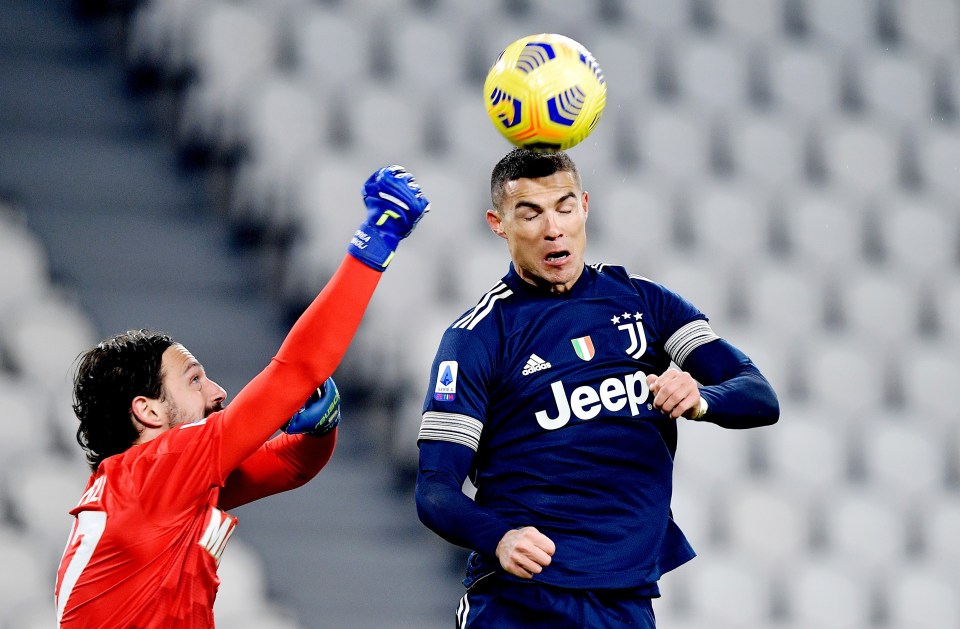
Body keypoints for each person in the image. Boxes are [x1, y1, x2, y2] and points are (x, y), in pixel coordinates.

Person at [414, 149, 779, 628]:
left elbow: (759, 395)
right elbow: (434, 489)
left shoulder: (645, 303)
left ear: (585, 206)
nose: (553, 229)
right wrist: (499, 537)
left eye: (564, 208)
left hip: (625, 601)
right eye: (531, 214)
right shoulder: (478, 337)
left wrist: (702, 399)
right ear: (498, 224)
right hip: (520, 602)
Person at [54, 165, 430, 628]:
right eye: (194, 380)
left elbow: (292, 465)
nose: (218, 392)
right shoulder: (150, 473)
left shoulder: (150, 490)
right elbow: (296, 370)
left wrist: (320, 428)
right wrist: (378, 238)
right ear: (147, 410)